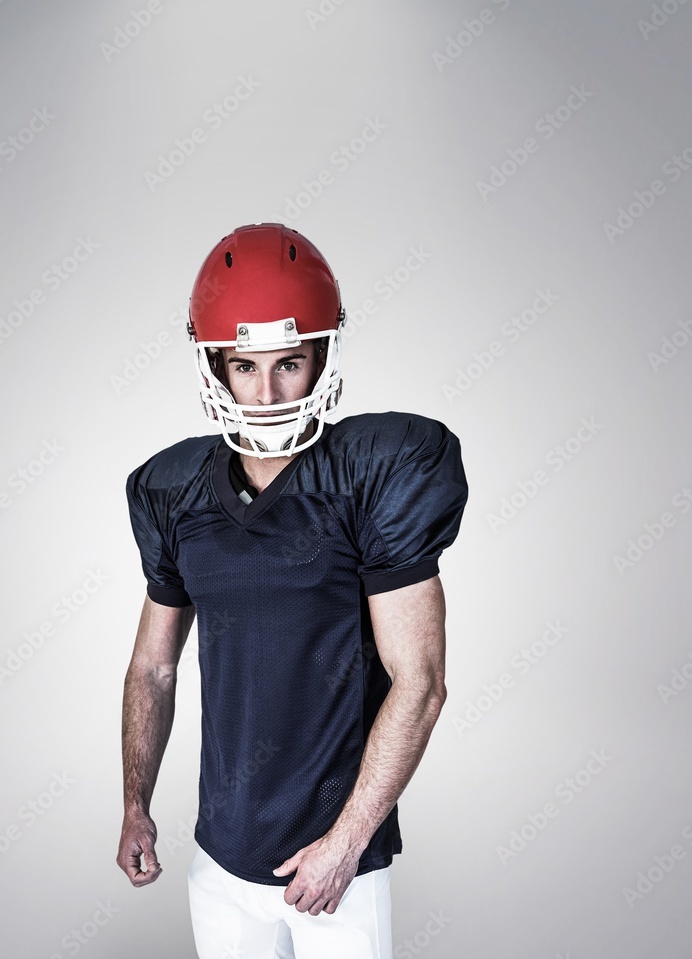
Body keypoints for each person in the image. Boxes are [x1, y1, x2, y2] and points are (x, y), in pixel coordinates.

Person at [118, 222, 468, 959]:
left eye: (290, 363)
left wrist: (345, 844)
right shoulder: (174, 491)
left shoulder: (373, 475)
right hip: (219, 858)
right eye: (244, 365)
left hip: (335, 870)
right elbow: (154, 665)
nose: (268, 392)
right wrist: (135, 804)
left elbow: (422, 681)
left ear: (323, 356)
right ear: (214, 363)